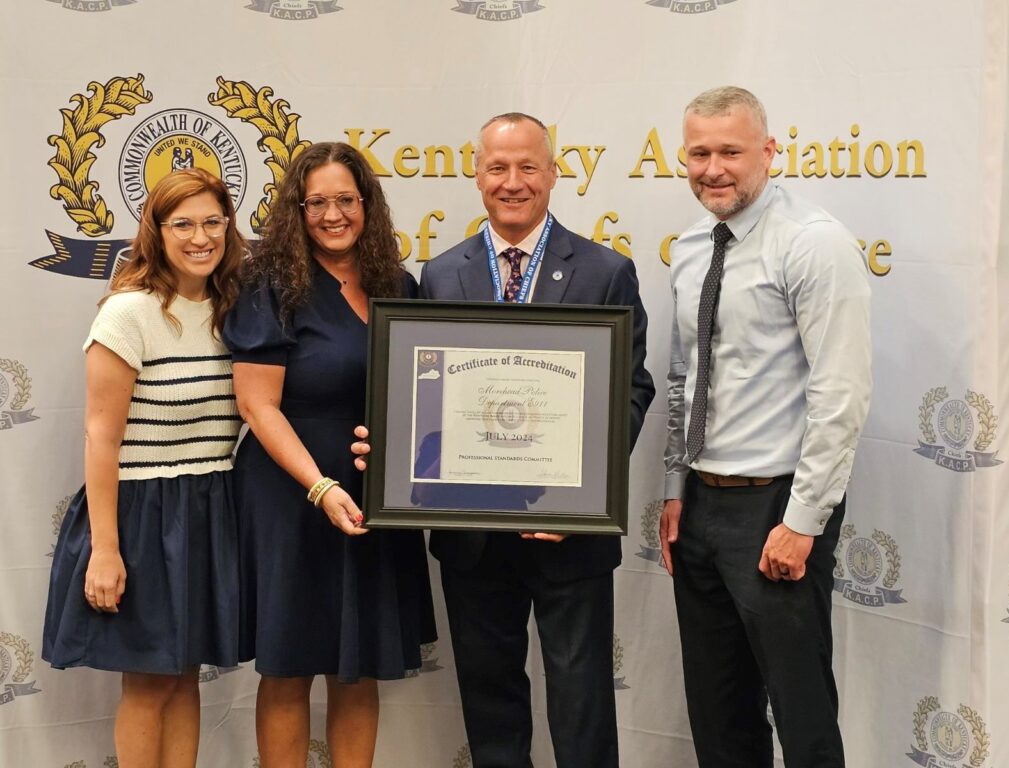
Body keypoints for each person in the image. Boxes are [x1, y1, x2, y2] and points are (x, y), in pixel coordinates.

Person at [417, 112, 655, 768]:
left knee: (581, 706)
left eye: (528, 167)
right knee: (491, 703)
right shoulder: (440, 276)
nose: (513, 181)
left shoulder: (607, 271)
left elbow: (633, 390)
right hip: (472, 535)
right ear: (477, 175)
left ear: (553, 174)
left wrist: (578, 494)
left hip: (570, 535)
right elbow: (430, 402)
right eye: (498, 167)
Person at [660, 86, 872, 768]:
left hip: (777, 509)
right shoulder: (692, 247)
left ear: (769, 152)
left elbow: (841, 392)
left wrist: (804, 520)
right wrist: (673, 489)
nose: (713, 168)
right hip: (700, 506)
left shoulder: (814, 244)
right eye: (699, 152)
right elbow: (681, 379)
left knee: (803, 715)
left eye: (731, 151)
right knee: (719, 718)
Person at [223, 142, 436, 768]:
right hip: (291, 495)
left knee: (359, 667)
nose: (333, 214)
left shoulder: (399, 284)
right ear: (296, 208)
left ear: (367, 204)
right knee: (288, 668)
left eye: (346, 199)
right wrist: (319, 487)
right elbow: (258, 405)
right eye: (317, 202)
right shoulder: (269, 284)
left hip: (374, 499)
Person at [43, 168, 246, 768]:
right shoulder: (128, 313)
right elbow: (100, 438)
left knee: (184, 675)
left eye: (212, 221)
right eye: (182, 223)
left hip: (210, 503)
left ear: (229, 226)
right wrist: (106, 549)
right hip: (143, 512)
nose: (199, 236)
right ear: (156, 232)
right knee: (150, 681)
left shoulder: (232, 307)